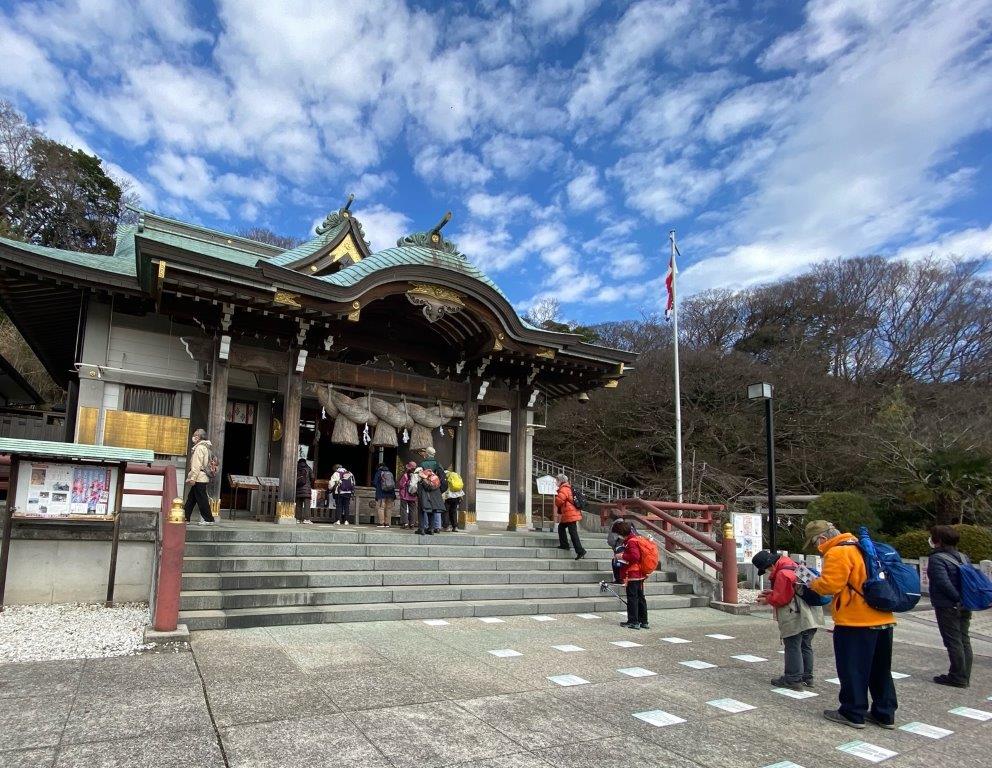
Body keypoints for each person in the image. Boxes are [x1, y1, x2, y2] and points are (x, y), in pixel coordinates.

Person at [806, 519, 897, 730]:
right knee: (881, 669)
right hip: (883, 616)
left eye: (815, 544)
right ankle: (885, 713)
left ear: (822, 538)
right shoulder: (864, 546)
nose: (817, 549)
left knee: (854, 668)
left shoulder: (838, 552)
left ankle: (852, 711)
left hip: (856, 620)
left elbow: (830, 585)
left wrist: (813, 583)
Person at [752, 550, 824, 690]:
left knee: (792, 645)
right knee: (806, 645)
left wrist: (767, 599)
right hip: (812, 613)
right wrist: (773, 593)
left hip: (796, 615)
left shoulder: (782, 573)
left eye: (766, 570)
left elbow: (782, 599)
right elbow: (796, 590)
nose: (767, 573)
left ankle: (793, 679)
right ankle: (807, 677)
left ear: (770, 566)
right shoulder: (795, 565)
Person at [927, 525, 973, 688]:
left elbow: (942, 583)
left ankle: (957, 676)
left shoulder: (937, 559)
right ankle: (964, 674)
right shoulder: (963, 556)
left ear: (938, 541)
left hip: (948, 605)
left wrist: (956, 598)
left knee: (953, 640)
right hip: (966, 603)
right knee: (963, 639)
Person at [614, 521, 648, 629]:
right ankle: (643, 621)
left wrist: (621, 556)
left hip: (633, 573)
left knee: (632, 597)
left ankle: (633, 621)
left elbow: (634, 556)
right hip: (640, 573)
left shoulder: (631, 542)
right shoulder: (636, 539)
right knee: (640, 597)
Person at [184, 428, 215, 525]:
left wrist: (193, 478)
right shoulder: (206, 447)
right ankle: (185, 517)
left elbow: (196, 465)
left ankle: (208, 519)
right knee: (191, 499)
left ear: (200, 437)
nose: (194, 437)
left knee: (202, 500)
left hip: (199, 477)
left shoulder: (199, 448)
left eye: (196, 435)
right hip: (202, 476)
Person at [554, 473, 586, 560]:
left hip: (570, 514)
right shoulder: (567, 487)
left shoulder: (564, 488)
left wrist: (556, 498)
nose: (555, 482)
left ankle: (580, 551)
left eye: (556, 480)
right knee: (561, 528)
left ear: (560, 481)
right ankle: (564, 545)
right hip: (570, 514)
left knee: (573, 533)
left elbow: (559, 501)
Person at [417, 448, 445, 534]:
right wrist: (438, 487)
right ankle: (431, 529)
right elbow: (442, 476)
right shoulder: (437, 463)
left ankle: (422, 528)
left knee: (422, 508)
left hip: (424, 487)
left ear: (427, 454)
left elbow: (419, 476)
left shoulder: (422, 463)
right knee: (433, 508)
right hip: (435, 489)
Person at [607, 510, 635, 583]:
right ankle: (624, 577)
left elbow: (611, 540)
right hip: (627, 545)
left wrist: (614, 545)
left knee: (617, 561)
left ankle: (620, 578)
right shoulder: (628, 524)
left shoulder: (616, 525)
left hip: (619, 546)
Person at [372, 462, 397, 528]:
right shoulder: (390, 473)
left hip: (381, 493)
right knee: (388, 508)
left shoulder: (379, 473)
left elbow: (374, 482)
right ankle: (387, 523)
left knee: (381, 508)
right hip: (391, 493)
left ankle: (381, 523)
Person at [398, 461, 419, 529]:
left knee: (403, 509)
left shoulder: (405, 475)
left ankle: (405, 523)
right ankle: (412, 524)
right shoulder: (416, 475)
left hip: (404, 495)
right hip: (413, 495)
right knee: (413, 509)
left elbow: (401, 485)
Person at [294, 457, 314, 524]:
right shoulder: (308, 468)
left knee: (298, 504)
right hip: (307, 489)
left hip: (298, 488)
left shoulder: (296, 468)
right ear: (305, 462)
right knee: (307, 505)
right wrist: (310, 484)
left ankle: (297, 519)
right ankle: (307, 519)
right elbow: (312, 477)